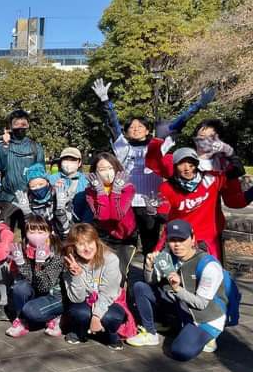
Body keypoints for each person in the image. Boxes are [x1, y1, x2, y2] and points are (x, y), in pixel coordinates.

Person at [126, 220, 227, 360]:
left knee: (181, 352)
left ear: (192, 239)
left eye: (182, 239)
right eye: (173, 240)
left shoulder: (208, 265)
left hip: (204, 316)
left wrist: (176, 288)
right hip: (181, 305)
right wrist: (149, 267)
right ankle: (150, 333)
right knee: (140, 287)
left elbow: (201, 304)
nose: (177, 245)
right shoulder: (167, 257)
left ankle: (208, 337)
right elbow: (151, 282)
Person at [93, 79, 165, 258]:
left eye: (140, 126)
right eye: (132, 127)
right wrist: (105, 101)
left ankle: (151, 280)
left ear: (148, 130)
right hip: (127, 203)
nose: (136, 129)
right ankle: (123, 281)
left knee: (151, 246)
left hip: (150, 204)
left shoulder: (157, 146)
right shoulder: (123, 147)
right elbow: (113, 124)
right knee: (125, 243)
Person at [154, 148, 248, 261]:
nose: (187, 168)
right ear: (174, 166)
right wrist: (157, 211)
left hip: (209, 240)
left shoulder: (211, 179)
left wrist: (233, 175)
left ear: (197, 164)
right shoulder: (167, 187)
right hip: (181, 239)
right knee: (179, 275)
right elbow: (163, 212)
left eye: (191, 163)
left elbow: (235, 201)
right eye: (181, 164)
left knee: (212, 274)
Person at [62, 223, 128, 350]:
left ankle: (110, 333)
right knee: (78, 312)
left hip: (109, 302)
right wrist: (76, 275)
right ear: (74, 247)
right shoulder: (71, 263)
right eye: (81, 244)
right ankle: (80, 330)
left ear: (96, 241)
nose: (87, 248)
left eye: (90, 242)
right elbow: (77, 299)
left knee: (111, 316)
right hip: (85, 303)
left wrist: (97, 316)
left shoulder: (110, 259)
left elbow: (108, 293)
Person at [5, 215, 66, 338]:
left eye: (41, 231)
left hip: (54, 295)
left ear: (49, 232)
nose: (36, 235)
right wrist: (21, 264)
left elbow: (45, 286)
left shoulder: (57, 252)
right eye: (31, 231)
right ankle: (22, 321)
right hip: (36, 291)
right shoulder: (25, 248)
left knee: (31, 311)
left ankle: (58, 317)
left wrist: (39, 264)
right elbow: (27, 281)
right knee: (19, 287)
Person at [85, 152, 137, 278]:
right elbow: (103, 216)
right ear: (95, 172)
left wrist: (116, 191)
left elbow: (116, 215)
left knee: (122, 272)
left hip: (125, 236)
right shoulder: (90, 191)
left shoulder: (128, 188)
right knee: (103, 272)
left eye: (110, 168)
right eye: (102, 169)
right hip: (105, 235)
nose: (107, 172)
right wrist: (100, 191)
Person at [0, 109, 45, 231]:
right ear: (10, 126)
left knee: (30, 232)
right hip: (7, 197)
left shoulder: (36, 147)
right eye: (16, 124)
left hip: (29, 198)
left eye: (24, 124)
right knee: (2, 232)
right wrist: (5, 146)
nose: (20, 127)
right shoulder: (0, 146)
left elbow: (41, 173)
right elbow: (0, 166)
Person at [13, 163, 71, 239]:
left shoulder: (59, 196)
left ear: (47, 182)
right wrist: (27, 213)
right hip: (39, 242)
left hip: (59, 241)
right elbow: (30, 232)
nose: (38, 188)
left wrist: (60, 210)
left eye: (41, 184)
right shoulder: (27, 202)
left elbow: (67, 232)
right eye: (33, 186)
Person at [48, 147, 90, 223]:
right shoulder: (51, 179)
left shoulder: (86, 180)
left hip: (79, 224)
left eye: (73, 160)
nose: (69, 163)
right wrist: (52, 190)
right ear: (61, 161)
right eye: (66, 159)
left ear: (79, 163)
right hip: (56, 223)